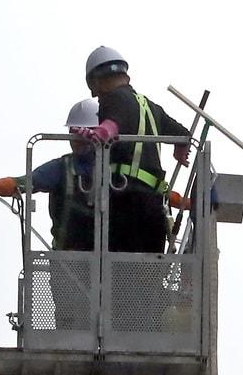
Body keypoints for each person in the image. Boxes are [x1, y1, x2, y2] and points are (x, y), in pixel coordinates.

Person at [0, 99, 104, 329]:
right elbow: (26, 182)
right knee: (70, 325)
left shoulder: (114, 170)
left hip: (103, 265)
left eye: (80, 134)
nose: (75, 141)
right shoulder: (62, 168)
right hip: (69, 264)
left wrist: (181, 202)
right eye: (72, 134)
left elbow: (158, 191)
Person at [73, 46, 191, 254]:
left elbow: (113, 124)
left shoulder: (113, 98)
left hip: (125, 199)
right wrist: (180, 150)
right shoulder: (151, 106)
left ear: (97, 80)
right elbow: (184, 134)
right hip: (154, 204)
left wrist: (99, 133)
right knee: (148, 276)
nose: (98, 97)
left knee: (117, 275)